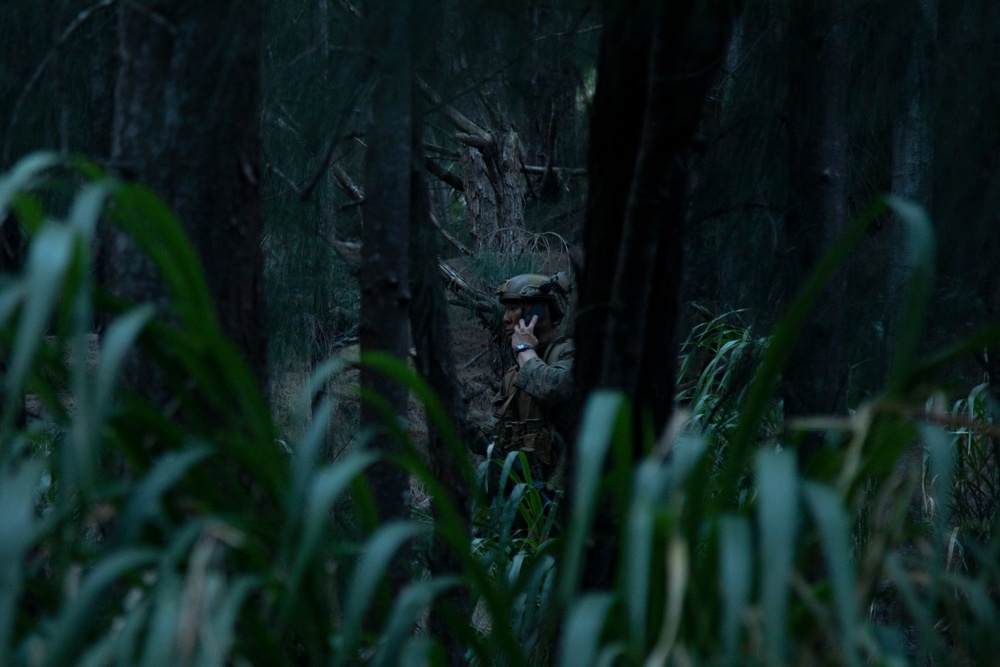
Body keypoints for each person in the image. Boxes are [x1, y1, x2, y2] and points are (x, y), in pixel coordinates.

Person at [477, 271, 574, 489]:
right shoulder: (516, 370)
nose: (505, 318)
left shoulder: (569, 352)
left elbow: (553, 388)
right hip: (520, 493)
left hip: (559, 493)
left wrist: (523, 347)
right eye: (506, 309)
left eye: (513, 308)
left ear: (540, 311)